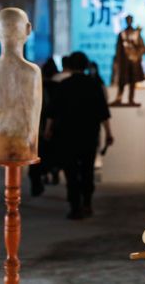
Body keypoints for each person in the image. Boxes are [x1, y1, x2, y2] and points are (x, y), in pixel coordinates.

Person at [45, 51, 113, 219]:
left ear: (69, 66)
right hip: (89, 134)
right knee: (87, 170)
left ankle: (75, 206)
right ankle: (87, 203)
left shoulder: (63, 85)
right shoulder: (94, 85)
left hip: (67, 135)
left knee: (71, 171)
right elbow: (103, 112)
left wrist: (48, 130)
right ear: (86, 65)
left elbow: (52, 111)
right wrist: (109, 133)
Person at [29, 58, 59, 196]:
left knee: (36, 156)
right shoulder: (58, 87)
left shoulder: (35, 87)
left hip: (36, 128)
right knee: (51, 153)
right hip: (53, 128)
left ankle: (36, 183)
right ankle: (52, 172)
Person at [111, 14, 145, 106]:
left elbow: (142, 47)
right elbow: (118, 48)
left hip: (134, 62)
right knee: (122, 81)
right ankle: (119, 98)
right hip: (124, 62)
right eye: (127, 20)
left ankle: (131, 99)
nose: (129, 21)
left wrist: (136, 55)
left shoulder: (136, 34)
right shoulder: (122, 34)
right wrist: (118, 60)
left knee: (132, 81)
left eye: (130, 20)